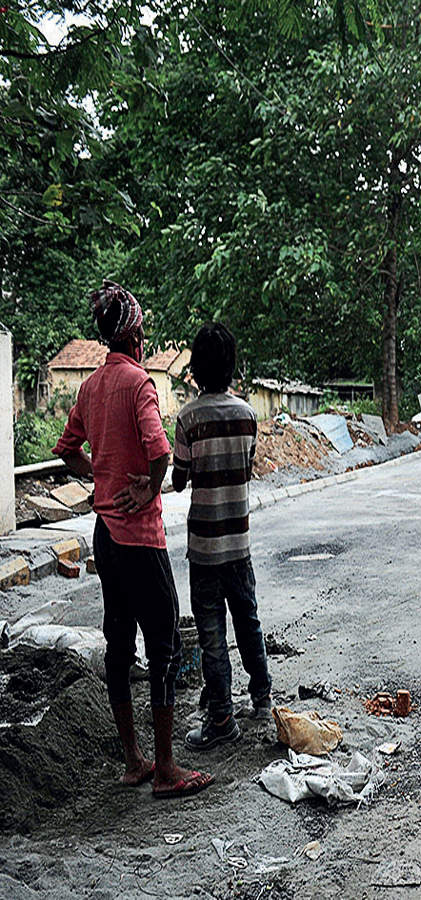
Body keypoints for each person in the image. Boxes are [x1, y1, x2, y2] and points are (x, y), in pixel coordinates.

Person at [54, 280, 213, 799]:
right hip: (141, 539)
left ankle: (134, 761)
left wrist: (99, 479)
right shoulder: (139, 383)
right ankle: (166, 767)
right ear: (136, 332)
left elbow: (66, 449)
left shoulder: (91, 388)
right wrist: (146, 484)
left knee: (118, 645)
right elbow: (159, 449)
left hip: (105, 536)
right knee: (163, 643)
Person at [172, 323, 271, 750]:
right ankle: (262, 697)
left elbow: (178, 480)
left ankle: (222, 719)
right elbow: (246, 471)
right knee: (248, 620)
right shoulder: (248, 416)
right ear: (232, 367)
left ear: (194, 370)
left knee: (212, 632)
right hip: (240, 543)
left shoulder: (188, 419)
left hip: (205, 549)